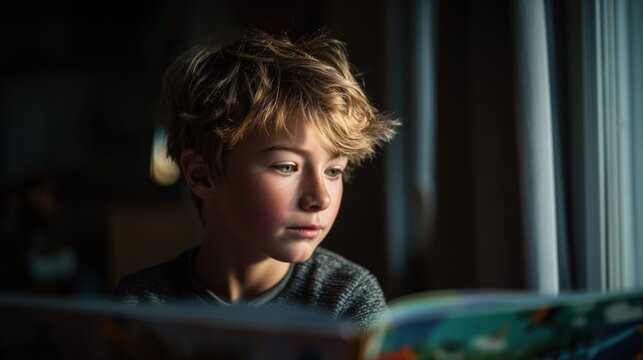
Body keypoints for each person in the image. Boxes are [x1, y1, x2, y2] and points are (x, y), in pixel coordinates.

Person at [114, 29, 399, 330]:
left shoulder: (348, 299)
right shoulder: (143, 302)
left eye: (333, 171)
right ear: (202, 174)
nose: (321, 198)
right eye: (287, 167)